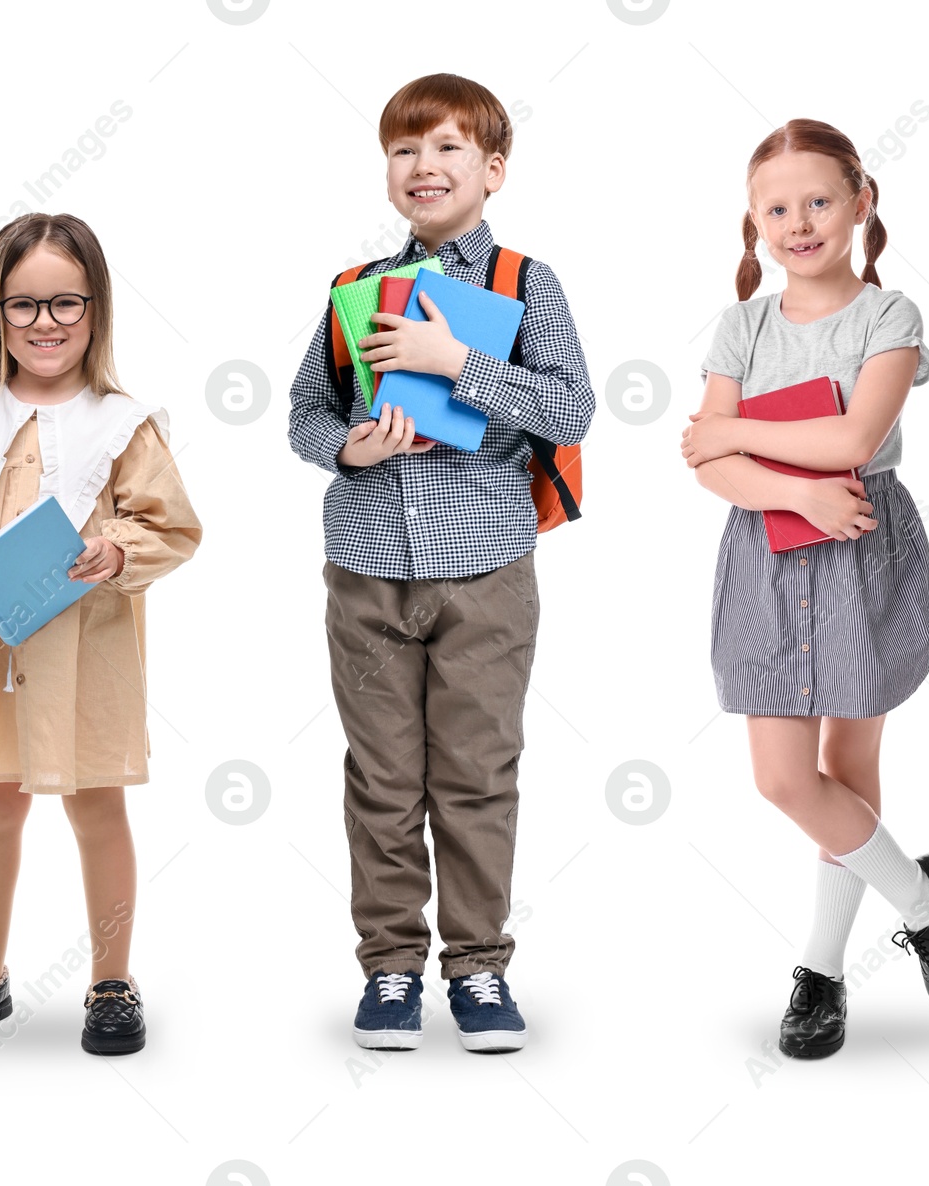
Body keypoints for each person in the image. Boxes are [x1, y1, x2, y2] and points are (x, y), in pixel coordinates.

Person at [286, 73, 595, 1053]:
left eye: (447, 148)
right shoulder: (350, 291)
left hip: (486, 569)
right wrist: (351, 447)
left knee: (474, 771)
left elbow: (571, 412)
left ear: (492, 170)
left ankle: (479, 967)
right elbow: (304, 413)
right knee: (380, 774)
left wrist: (450, 357)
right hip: (368, 561)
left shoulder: (522, 285)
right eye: (403, 150)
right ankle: (388, 969)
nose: (422, 166)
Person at [681, 118, 929, 1060]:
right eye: (776, 207)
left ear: (860, 203)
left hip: (862, 550)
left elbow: (853, 442)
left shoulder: (890, 318)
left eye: (818, 201)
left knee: (847, 773)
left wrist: (738, 437)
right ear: (753, 220)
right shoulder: (741, 324)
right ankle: (926, 901)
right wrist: (792, 485)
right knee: (781, 779)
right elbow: (705, 462)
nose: (797, 222)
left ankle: (820, 972)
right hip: (768, 551)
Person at [0, 213, 202, 1056]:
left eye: (66, 302)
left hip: (91, 646)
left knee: (98, 806)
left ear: (96, 308)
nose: (45, 323)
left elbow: (172, 527)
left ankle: (112, 979)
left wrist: (113, 549)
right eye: (23, 305)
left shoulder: (124, 422)